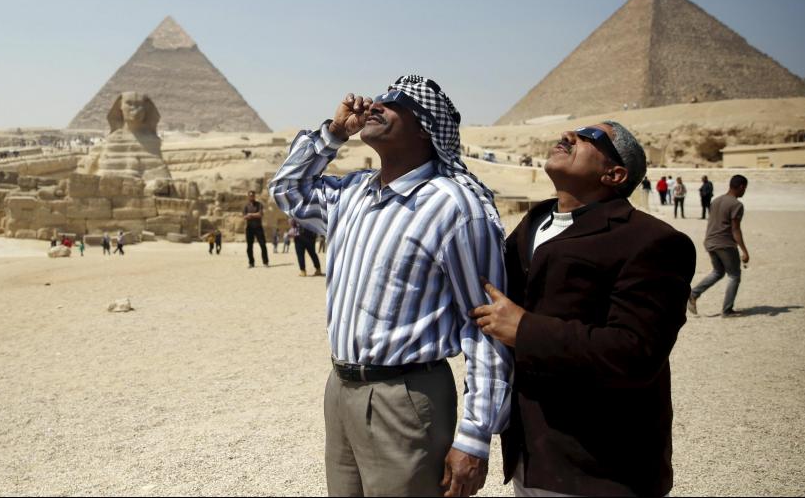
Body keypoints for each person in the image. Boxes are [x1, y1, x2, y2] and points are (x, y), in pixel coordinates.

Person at [270, 75, 511, 497]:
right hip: (341, 389)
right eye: (378, 98)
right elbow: (287, 189)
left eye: (395, 102)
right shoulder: (352, 195)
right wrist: (332, 135)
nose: (375, 106)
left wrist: (475, 435)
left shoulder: (455, 207)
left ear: (426, 128)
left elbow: (486, 325)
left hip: (406, 399)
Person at [469, 121, 695, 496]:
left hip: (603, 466)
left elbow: (636, 352)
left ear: (614, 173)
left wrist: (525, 330)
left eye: (590, 137)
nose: (568, 135)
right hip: (533, 453)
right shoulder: (533, 225)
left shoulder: (652, 241)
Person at [688, 175, 749, 317]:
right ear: (741, 187)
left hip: (710, 241)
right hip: (725, 243)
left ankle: (693, 293)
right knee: (734, 275)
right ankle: (727, 310)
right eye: (745, 188)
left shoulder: (716, 201)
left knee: (718, 272)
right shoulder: (736, 205)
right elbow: (735, 229)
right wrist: (744, 251)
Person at [243, 191, 269, 268]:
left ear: (254, 196)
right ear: (248, 196)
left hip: (258, 227)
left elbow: (260, 214)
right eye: (250, 195)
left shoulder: (259, 204)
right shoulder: (246, 206)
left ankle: (265, 262)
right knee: (249, 246)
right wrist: (255, 215)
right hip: (249, 228)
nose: (251, 197)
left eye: (253, 195)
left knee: (263, 245)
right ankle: (251, 263)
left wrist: (250, 215)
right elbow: (244, 217)